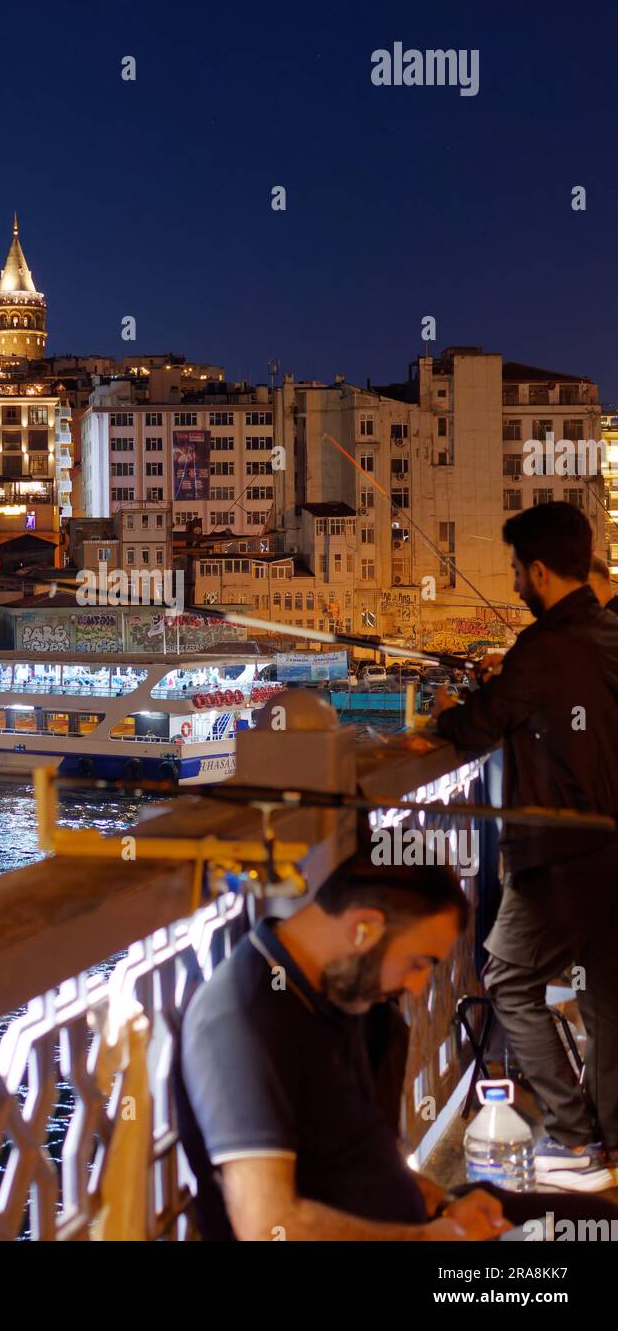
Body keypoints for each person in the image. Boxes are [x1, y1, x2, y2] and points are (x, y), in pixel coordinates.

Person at [174, 839, 617, 1240]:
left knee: (598, 1224)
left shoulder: (335, 994)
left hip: (411, 1222)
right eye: (418, 962)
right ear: (364, 927)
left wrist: (445, 1204)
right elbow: (268, 1224)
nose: (419, 987)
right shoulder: (243, 1019)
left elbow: (364, 1159)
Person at [434, 502, 618, 1191]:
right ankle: (609, 1145)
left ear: (537, 570)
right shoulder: (605, 633)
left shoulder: (545, 648)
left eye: (515, 571)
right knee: (605, 1001)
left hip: (560, 853)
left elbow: (479, 724)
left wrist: (440, 718)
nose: (513, 584)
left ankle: (574, 1141)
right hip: (609, 847)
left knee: (509, 981)